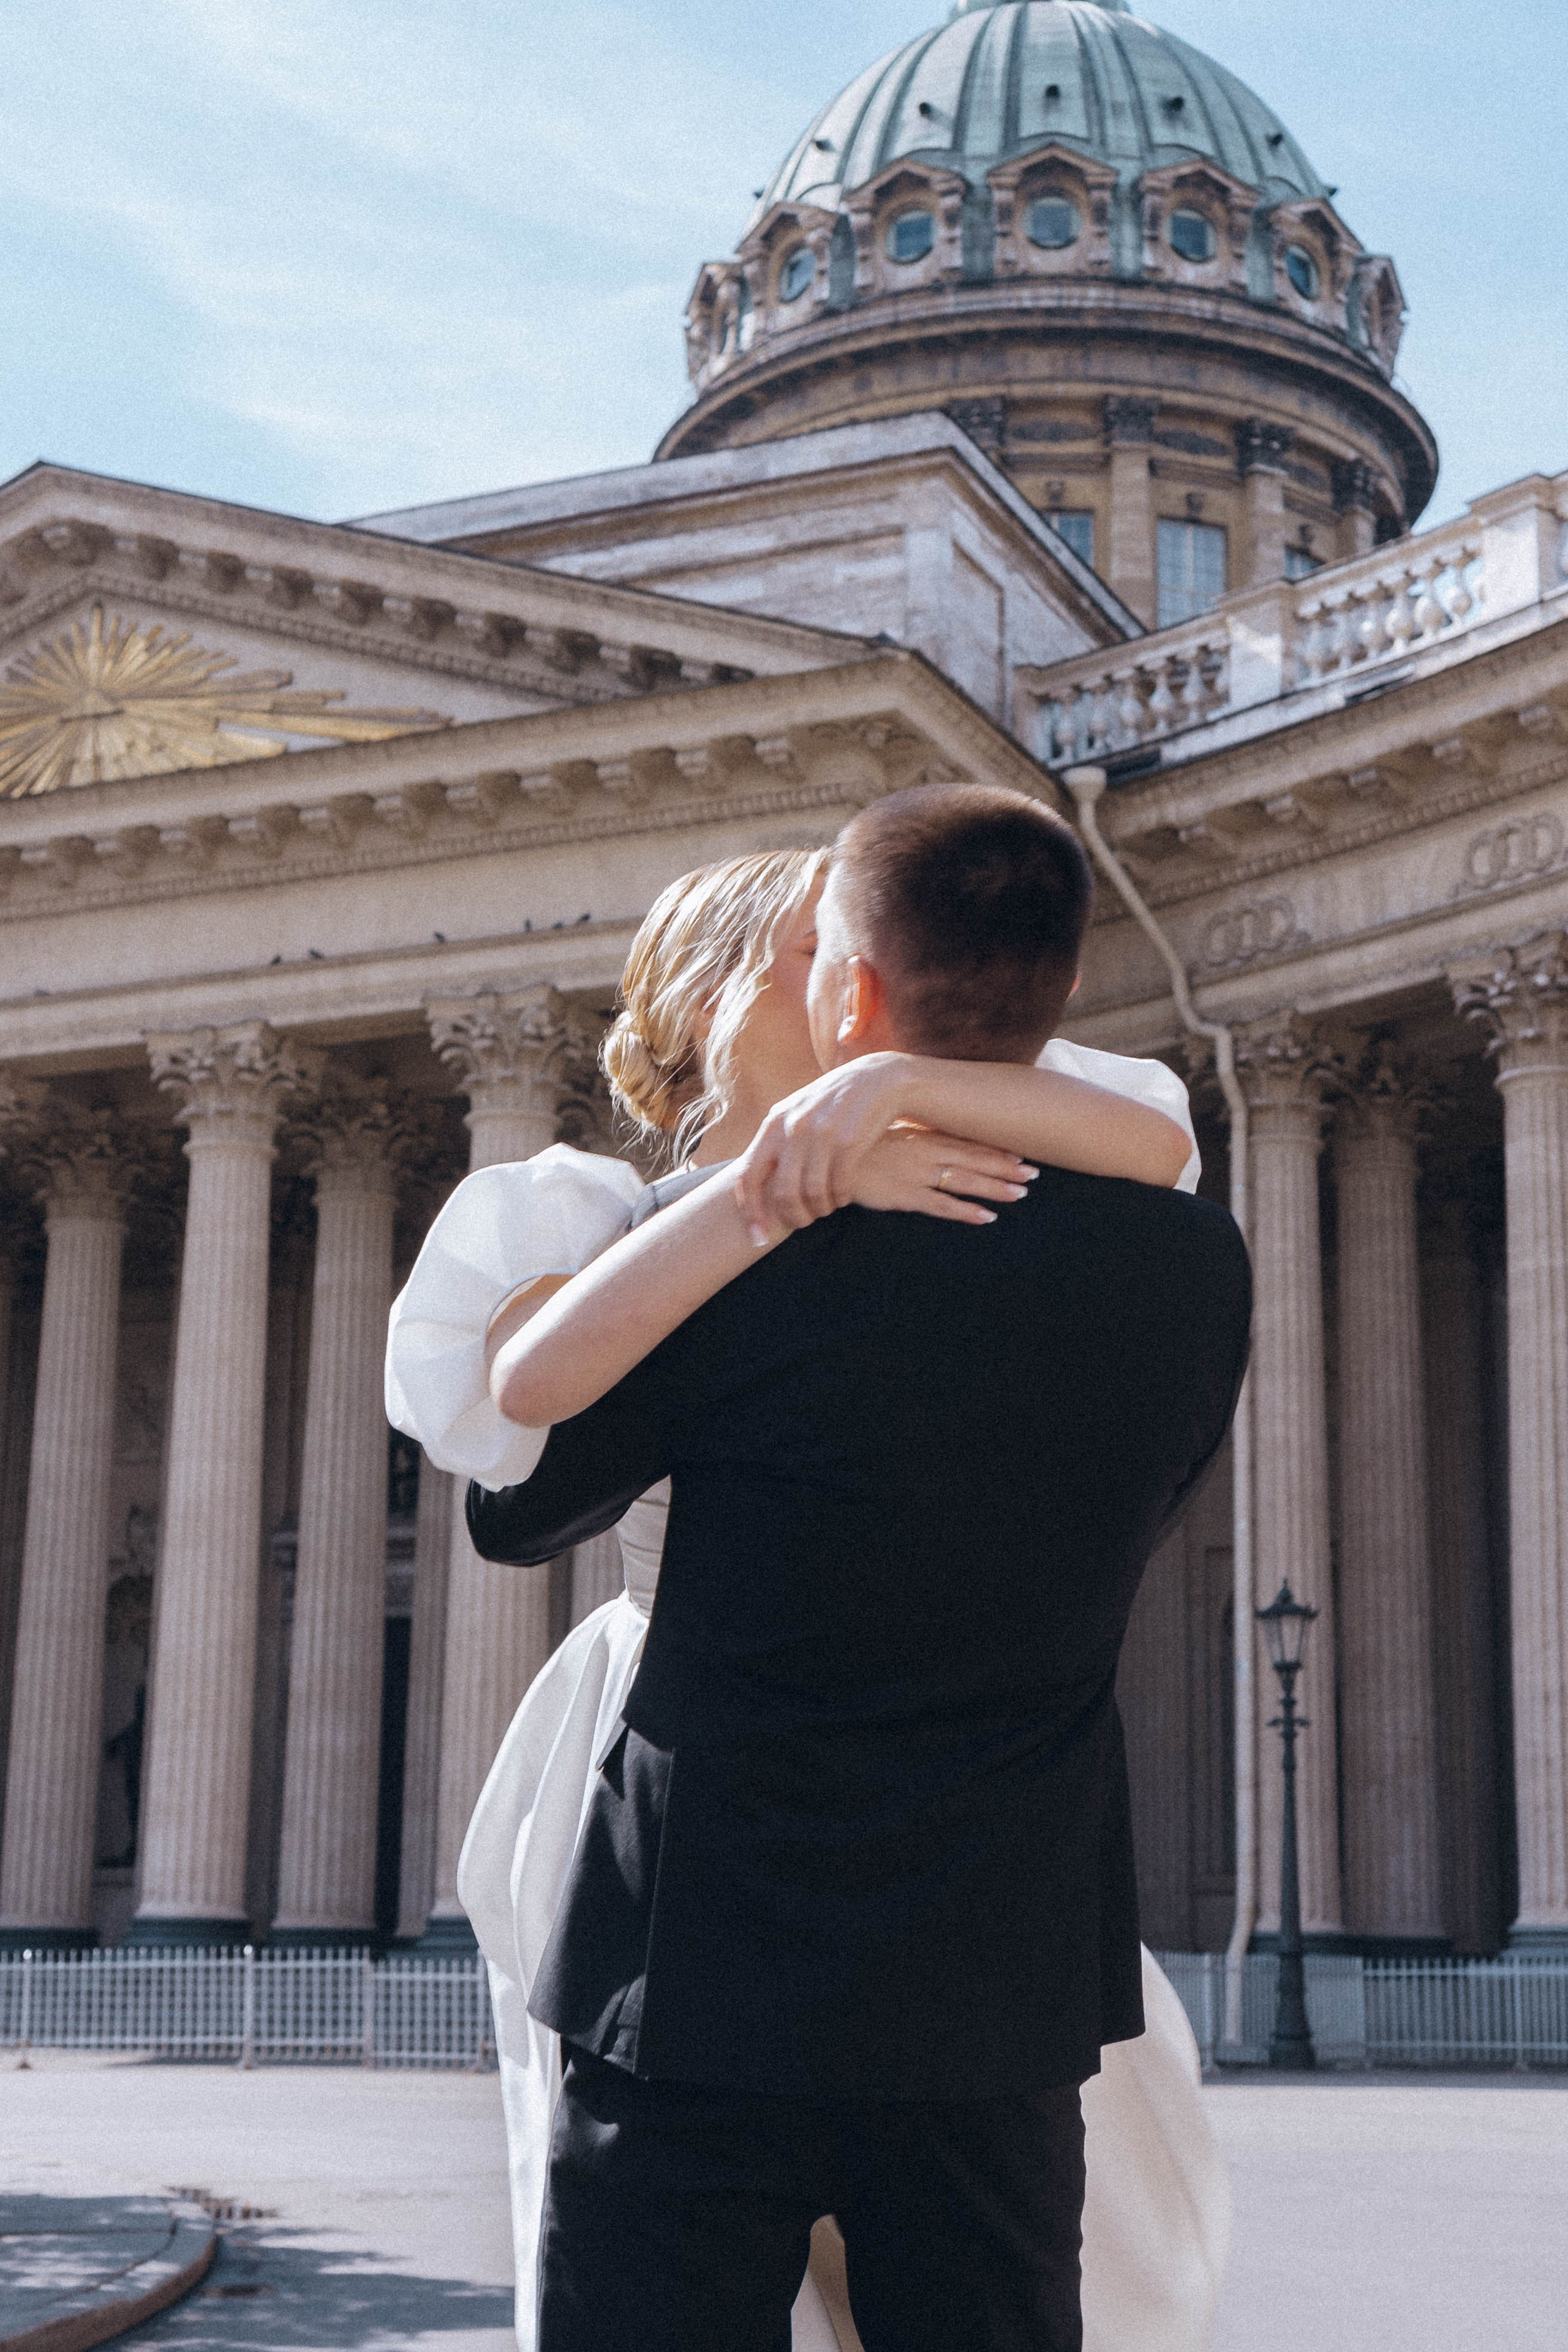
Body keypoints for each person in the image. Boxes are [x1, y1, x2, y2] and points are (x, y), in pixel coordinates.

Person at [390, 807, 1246, 2350]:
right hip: (986, 1934)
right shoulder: (1181, 1258)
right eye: (790, 946)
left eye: (826, 944)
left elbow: (523, 1487)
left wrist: (839, 1138)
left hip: (711, 1920)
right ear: (715, 999)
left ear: (858, 995)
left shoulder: (728, 1263)